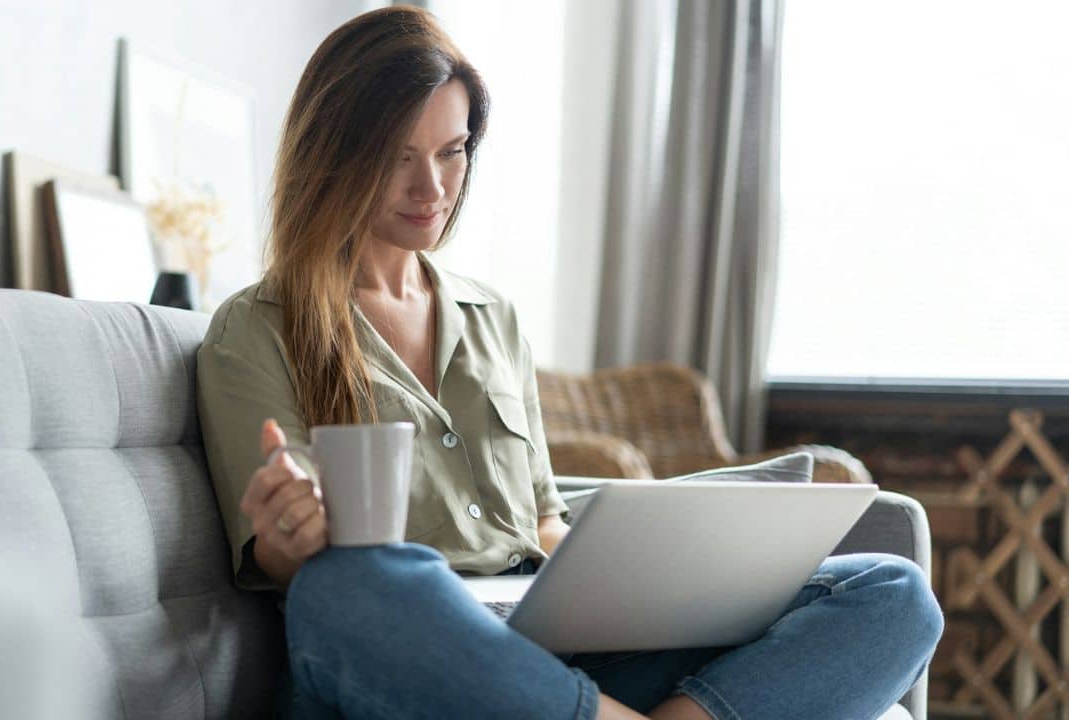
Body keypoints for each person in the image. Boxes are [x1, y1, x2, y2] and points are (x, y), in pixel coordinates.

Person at [195, 6, 943, 719]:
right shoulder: (256, 330)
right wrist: (292, 538)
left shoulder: (495, 319)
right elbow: (287, 568)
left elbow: (544, 522)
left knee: (893, 591)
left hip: (556, 655)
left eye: (452, 153)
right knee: (356, 584)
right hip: (411, 649)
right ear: (336, 157)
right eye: (398, 160)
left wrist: (652, 583)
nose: (433, 189)